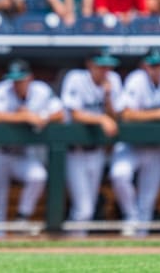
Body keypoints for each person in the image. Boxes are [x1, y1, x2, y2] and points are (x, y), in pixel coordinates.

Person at [0, 59, 64, 237]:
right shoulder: (2, 89)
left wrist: (42, 116)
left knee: (38, 176)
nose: (17, 83)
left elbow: (60, 113)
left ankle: (22, 216)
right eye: (14, 80)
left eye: (21, 79)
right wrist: (24, 117)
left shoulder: (41, 90)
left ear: (30, 78)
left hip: (21, 153)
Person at [110, 48, 160, 236]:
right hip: (132, 146)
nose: (156, 69)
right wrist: (159, 113)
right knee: (119, 174)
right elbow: (125, 114)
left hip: (157, 148)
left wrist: (154, 115)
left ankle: (140, 244)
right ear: (144, 66)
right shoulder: (136, 80)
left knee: (147, 204)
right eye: (152, 65)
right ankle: (130, 215)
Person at [60, 50, 122, 231]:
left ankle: (77, 246)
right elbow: (76, 114)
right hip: (75, 151)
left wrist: (108, 97)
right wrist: (101, 119)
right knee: (84, 209)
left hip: (97, 151)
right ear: (90, 64)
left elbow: (115, 117)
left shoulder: (113, 81)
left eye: (107, 66)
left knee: (89, 207)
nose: (105, 70)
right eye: (101, 66)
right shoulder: (75, 78)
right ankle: (72, 248)